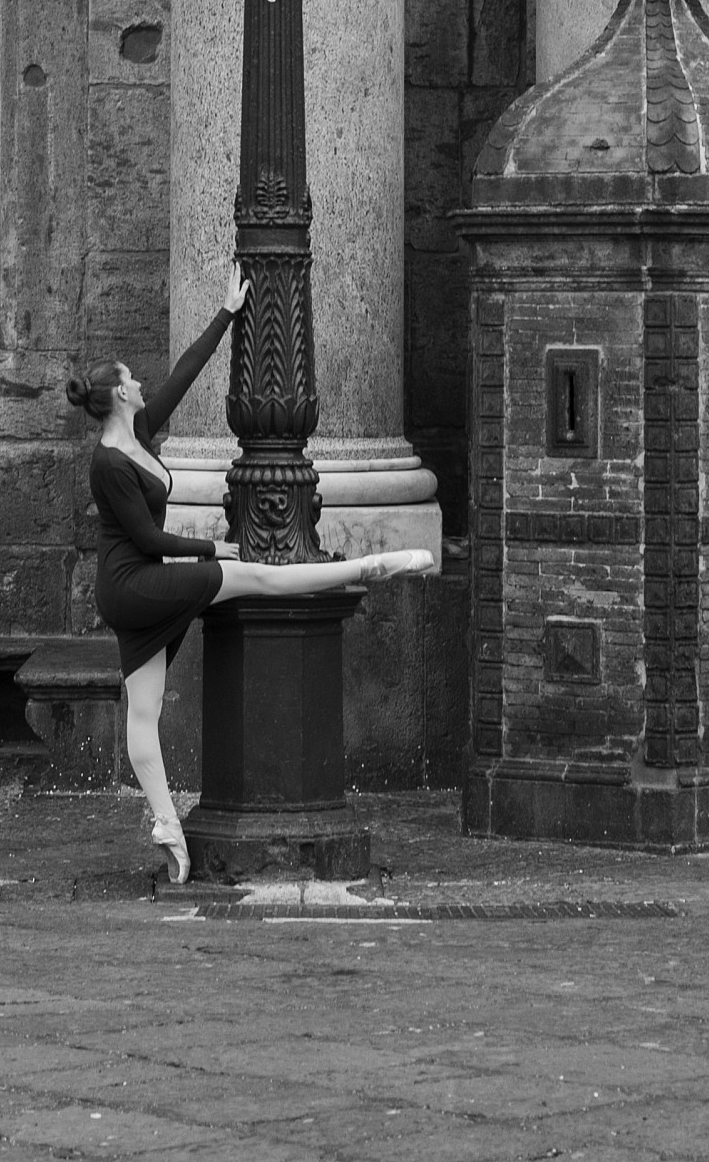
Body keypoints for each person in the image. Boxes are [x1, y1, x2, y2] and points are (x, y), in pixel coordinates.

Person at [67, 265, 435, 884]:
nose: (142, 381)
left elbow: (184, 373)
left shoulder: (141, 432)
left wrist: (227, 312)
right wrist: (213, 550)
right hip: (131, 586)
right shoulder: (107, 463)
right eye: (133, 379)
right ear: (120, 394)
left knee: (144, 709)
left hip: (142, 582)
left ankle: (167, 828)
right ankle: (374, 566)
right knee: (257, 579)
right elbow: (147, 540)